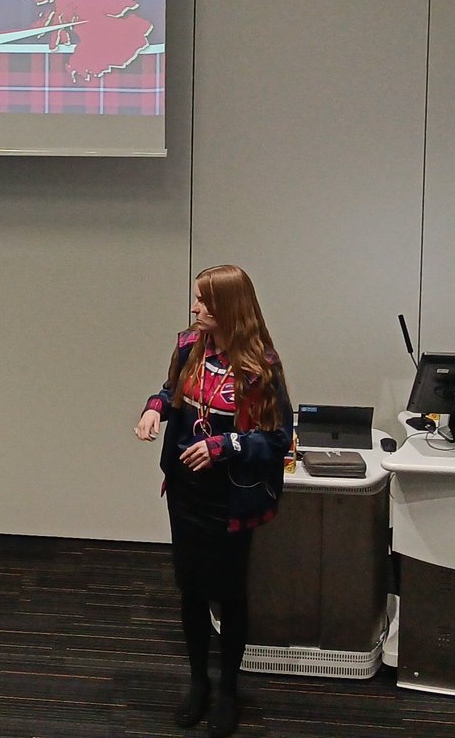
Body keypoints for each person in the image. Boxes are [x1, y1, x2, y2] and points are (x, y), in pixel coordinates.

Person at [135, 264, 293, 737]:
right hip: (186, 492)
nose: (194, 308)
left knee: (229, 590)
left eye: (203, 301)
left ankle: (228, 691)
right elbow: (171, 392)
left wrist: (224, 447)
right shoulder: (189, 347)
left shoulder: (261, 365)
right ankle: (198, 682)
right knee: (191, 587)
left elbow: (279, 439)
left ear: (227, 307)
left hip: (230, 498)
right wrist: (154, 409)